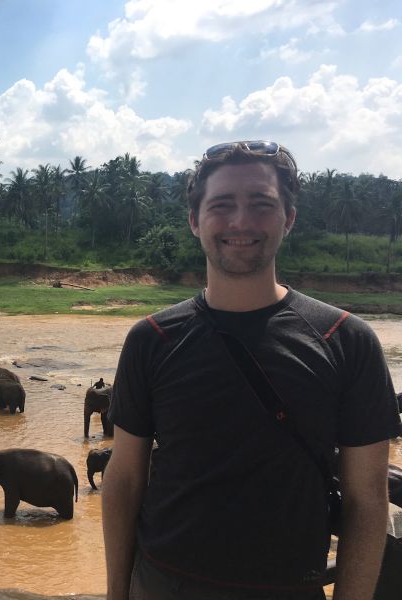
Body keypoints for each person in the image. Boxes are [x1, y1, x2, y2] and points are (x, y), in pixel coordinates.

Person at [103, 140, 401, 600]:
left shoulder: (346, 341)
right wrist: (116, 593)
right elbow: (124, 481)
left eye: (262, 204)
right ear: (194, 221)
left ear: (289, 218)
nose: (241, 221)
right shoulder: (152, 340)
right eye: (222, 205)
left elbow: (368, 500)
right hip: (164, 584)